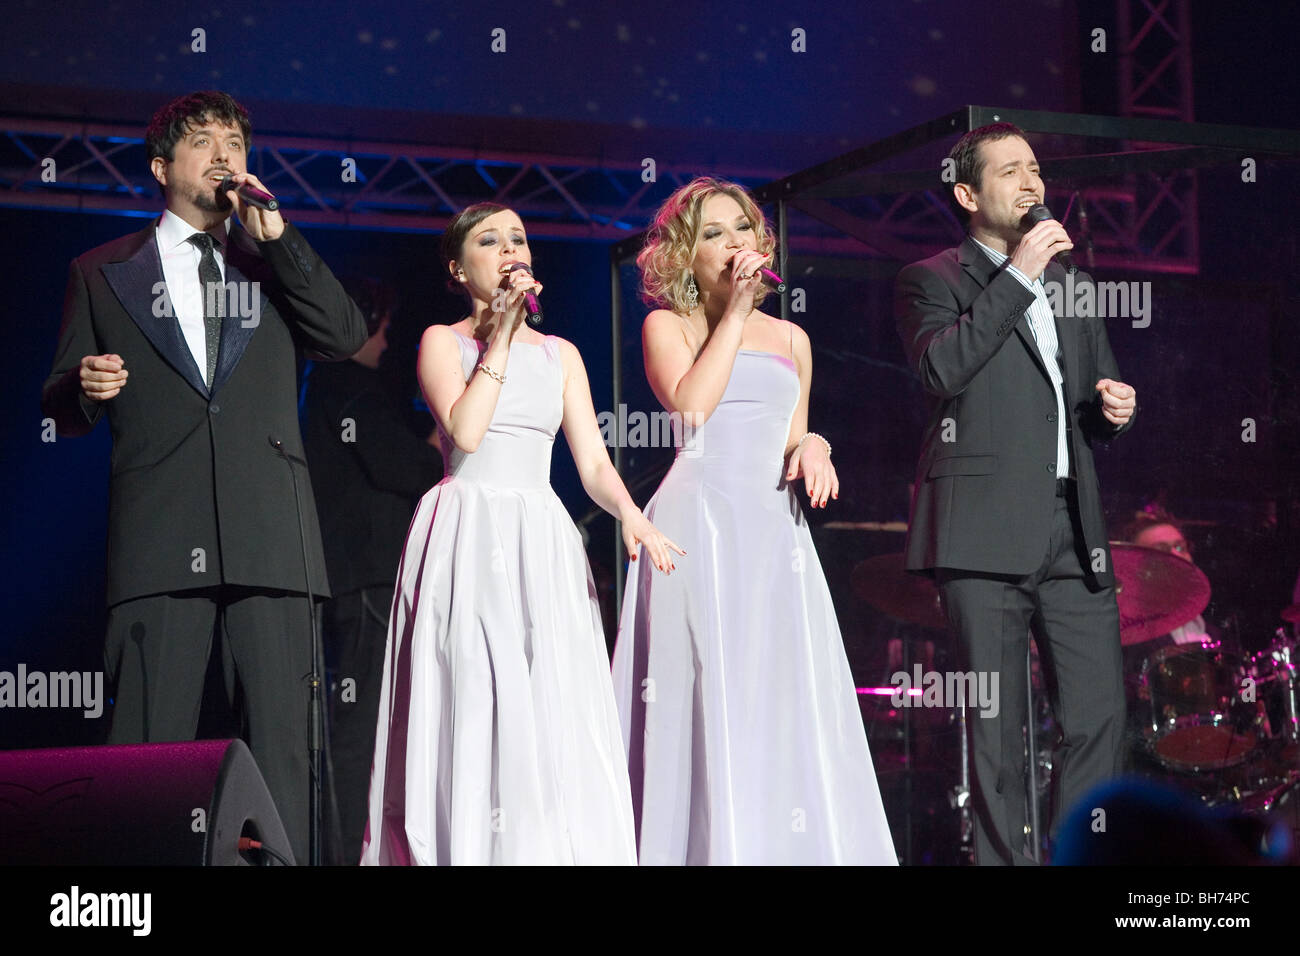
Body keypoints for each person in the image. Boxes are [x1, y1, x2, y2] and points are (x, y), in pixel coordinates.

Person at [41, 90, 369, 864]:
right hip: (160, 536)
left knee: (287, 750)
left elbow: (344, 334)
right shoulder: (101, 272)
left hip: (272, 535)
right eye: (203, 142)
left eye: (235, 142)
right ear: (162, 168)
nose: (225, 154)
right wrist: (81, 384)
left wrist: (282, 238)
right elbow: (58, 401)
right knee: (146, 751)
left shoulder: (271, 265)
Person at [360, 203, 682, 865]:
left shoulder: (561, 355)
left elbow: (592, 462)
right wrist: (500, 335)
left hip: (540, 535)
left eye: (519, 237)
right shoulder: (441, 342)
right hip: (467, 532)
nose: (510, 248)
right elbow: (468, 431)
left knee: (546, 703)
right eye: (489, 240)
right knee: (474, 697)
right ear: (458, 268)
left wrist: (633, 513)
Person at [611, 177, 898, 865]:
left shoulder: (793, 337)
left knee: (778, 693)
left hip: (773, 534)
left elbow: (794, 433)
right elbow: (690, 412)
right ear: (686, 254)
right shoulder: (668, 325)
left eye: (741, 227)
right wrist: (734, 315)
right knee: (707, 690)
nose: (734, 241)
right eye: (713, 232)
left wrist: (817, 445)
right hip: (699, 525)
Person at [895, 123, 1137, 865]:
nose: (1032, 184)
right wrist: (1019, 276)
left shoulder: (1074, 285)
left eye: (1036, 170)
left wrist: (1110, 406)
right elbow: (943, 370)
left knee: (1100, 717)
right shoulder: (929, 279)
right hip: (981, 533)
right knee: (995, 734)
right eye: (1011, 173)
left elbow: (1085, 404)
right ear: (968, 194)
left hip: (1071, 525)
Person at [300, 277, 443, 864]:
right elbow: (398, 464)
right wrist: (438, 444)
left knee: (363, 716)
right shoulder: (347, 386)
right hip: (363, 577)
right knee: (359, 721)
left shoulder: (332, 387)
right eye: (381, 327)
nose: (387, 341)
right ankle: (342, 851)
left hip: (356, 577)